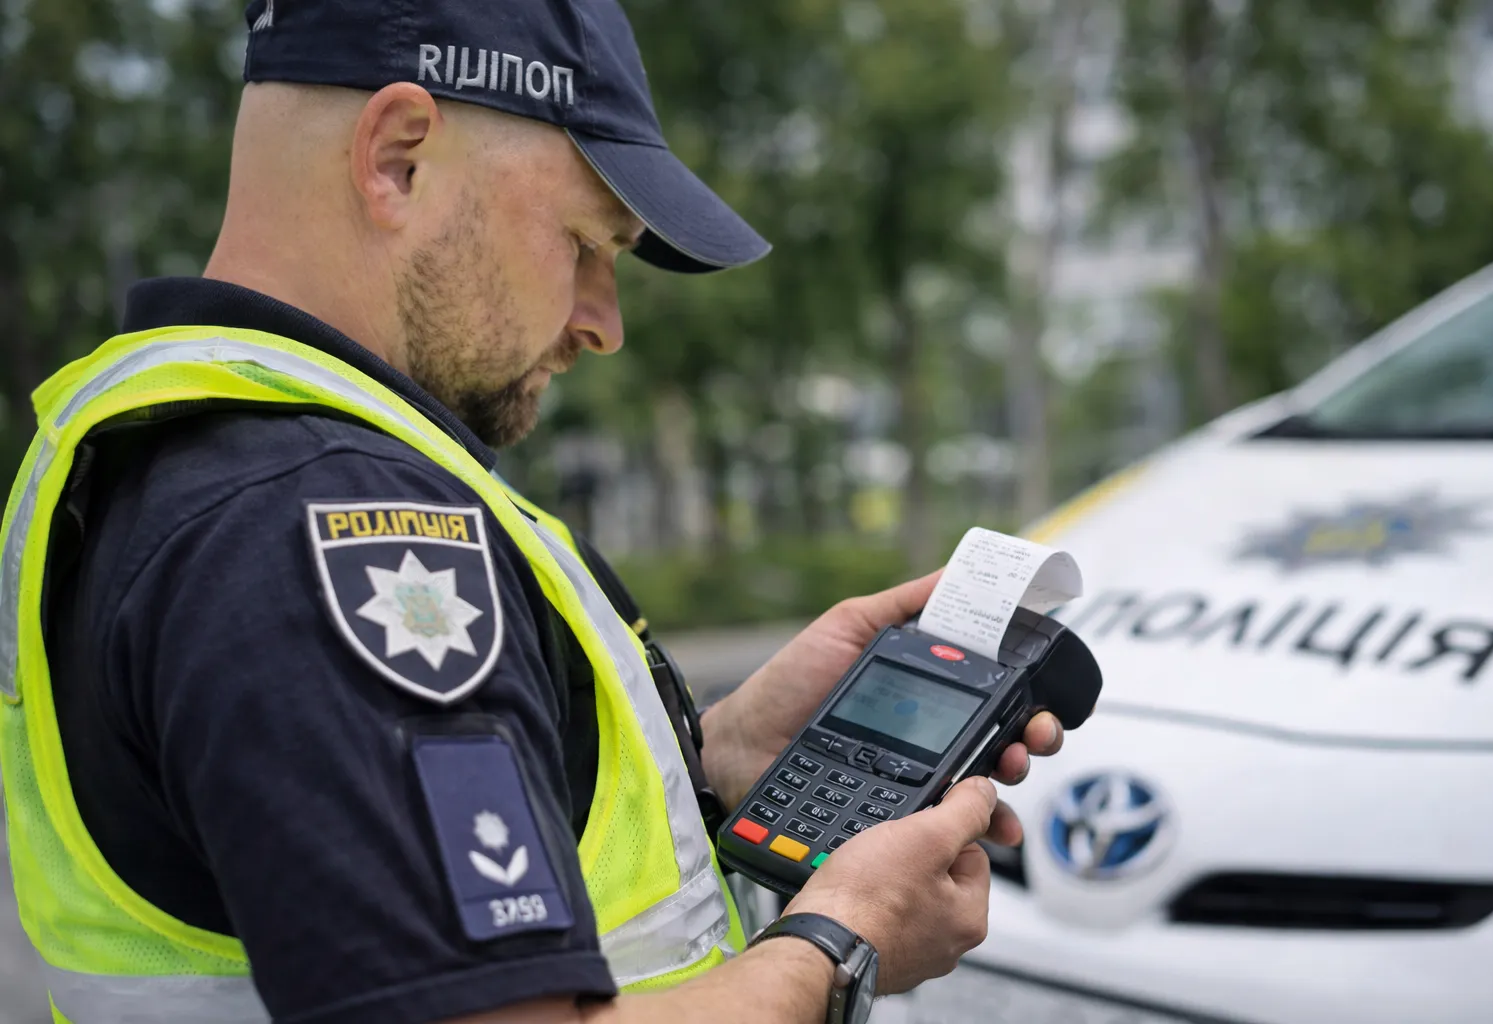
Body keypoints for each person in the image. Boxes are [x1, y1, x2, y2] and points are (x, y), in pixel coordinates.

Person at [0, 1, 1075, 1022]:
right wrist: (840, 942)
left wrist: (715, 757)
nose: (604, 323)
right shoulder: (328, 521)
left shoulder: (167, 450)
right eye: (587, 243)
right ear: (398, 159)